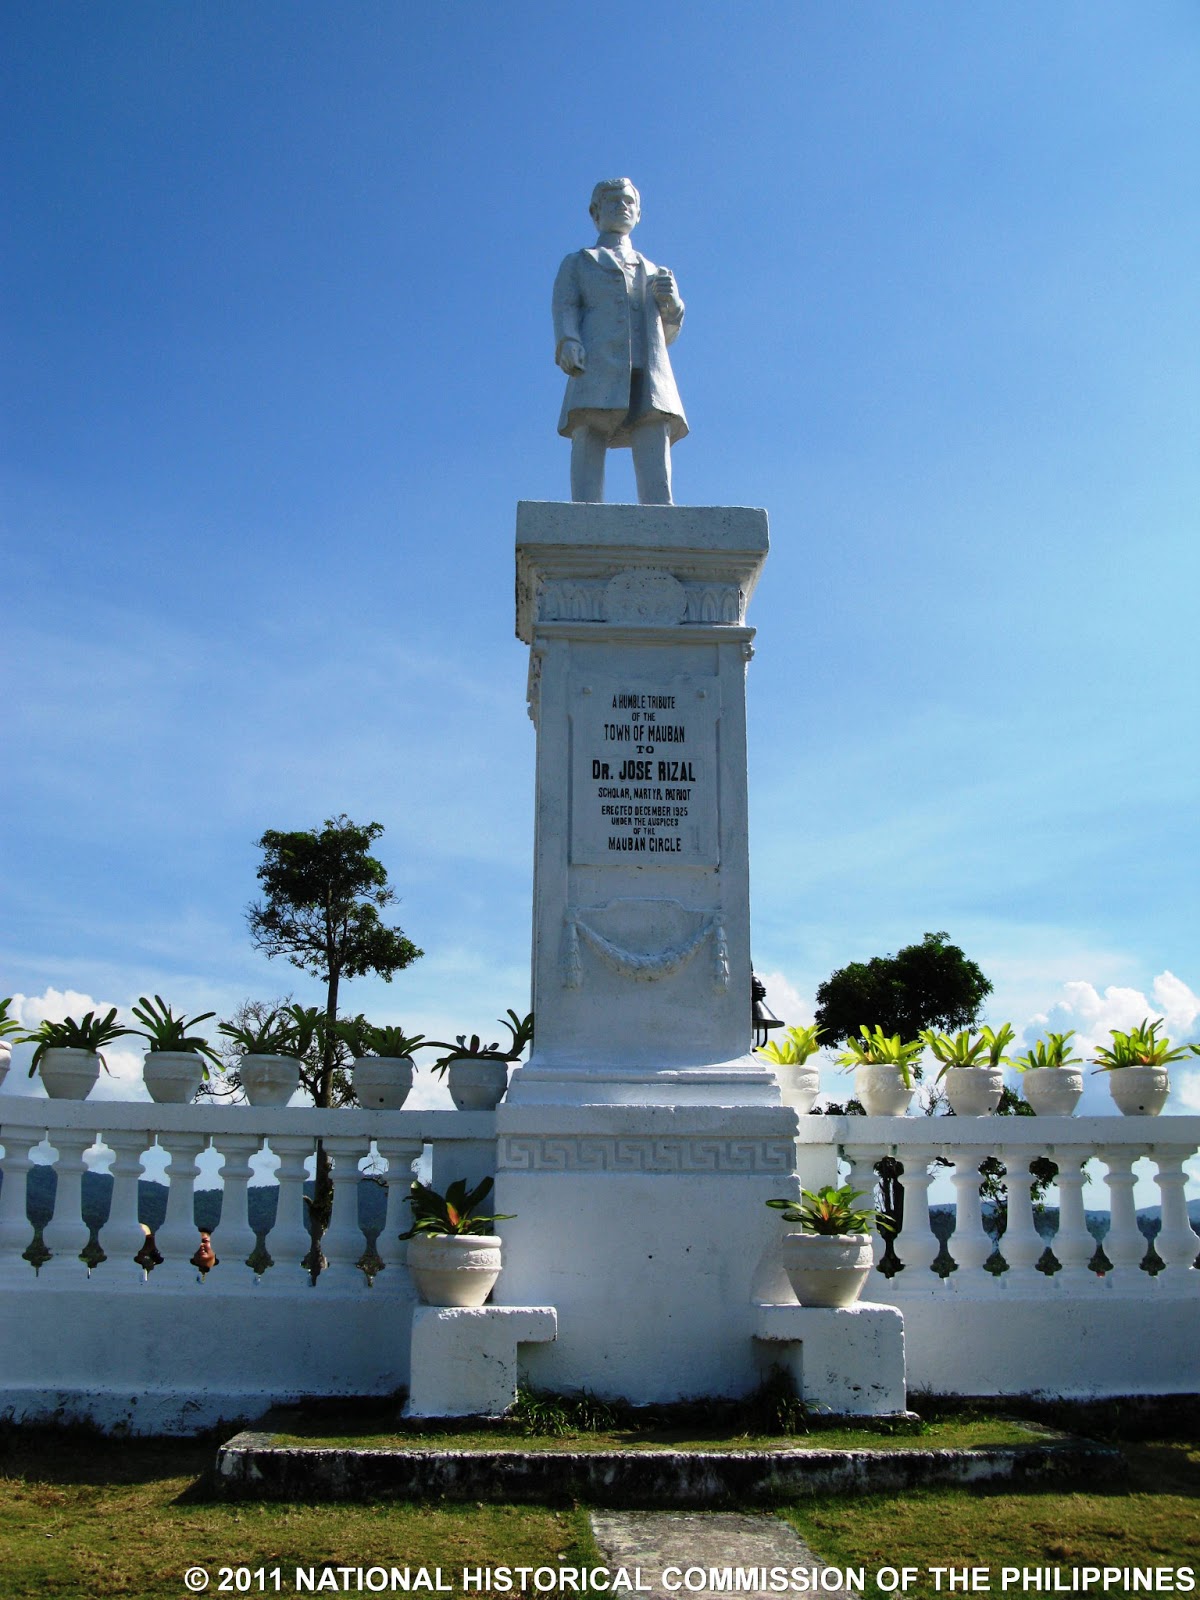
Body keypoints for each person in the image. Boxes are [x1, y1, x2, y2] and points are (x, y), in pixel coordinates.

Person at [552, 178, 687, 504]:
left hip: (648, 365)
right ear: (595, 212)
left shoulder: (653, 270)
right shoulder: (579, 262)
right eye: (613, 201)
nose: (622, 207)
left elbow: (668, 330)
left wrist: (673, 304)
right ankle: (586, 504)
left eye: (628, 201)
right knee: (590, 426)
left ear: (638, 213)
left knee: (652, 426)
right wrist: (568, 340)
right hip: (598, 359)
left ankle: (659, 506)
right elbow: (565, 305)